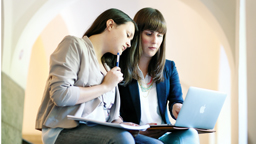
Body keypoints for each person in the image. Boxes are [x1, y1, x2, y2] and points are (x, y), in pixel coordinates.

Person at [35, 8, 163, 144]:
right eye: (128, 35)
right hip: (64, 129)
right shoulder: (74, 45)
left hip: (99, 130)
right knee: (122, 139)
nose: (129, 44)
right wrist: (105, 86)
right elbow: (60, 95)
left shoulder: (108, 68)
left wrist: (125, 125)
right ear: (110, 25)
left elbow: (111, 116)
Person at [118, 7, 200, 144]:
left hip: (163, 132)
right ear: (137, 34)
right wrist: (138, 130)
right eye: (149, 34)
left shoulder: (169, 67)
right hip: (135, 134)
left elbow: (176, 100)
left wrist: (177, 108)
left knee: (191, 134)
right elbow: (114, 112)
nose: (155, 41)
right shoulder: (120, 67)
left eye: (160, 35)